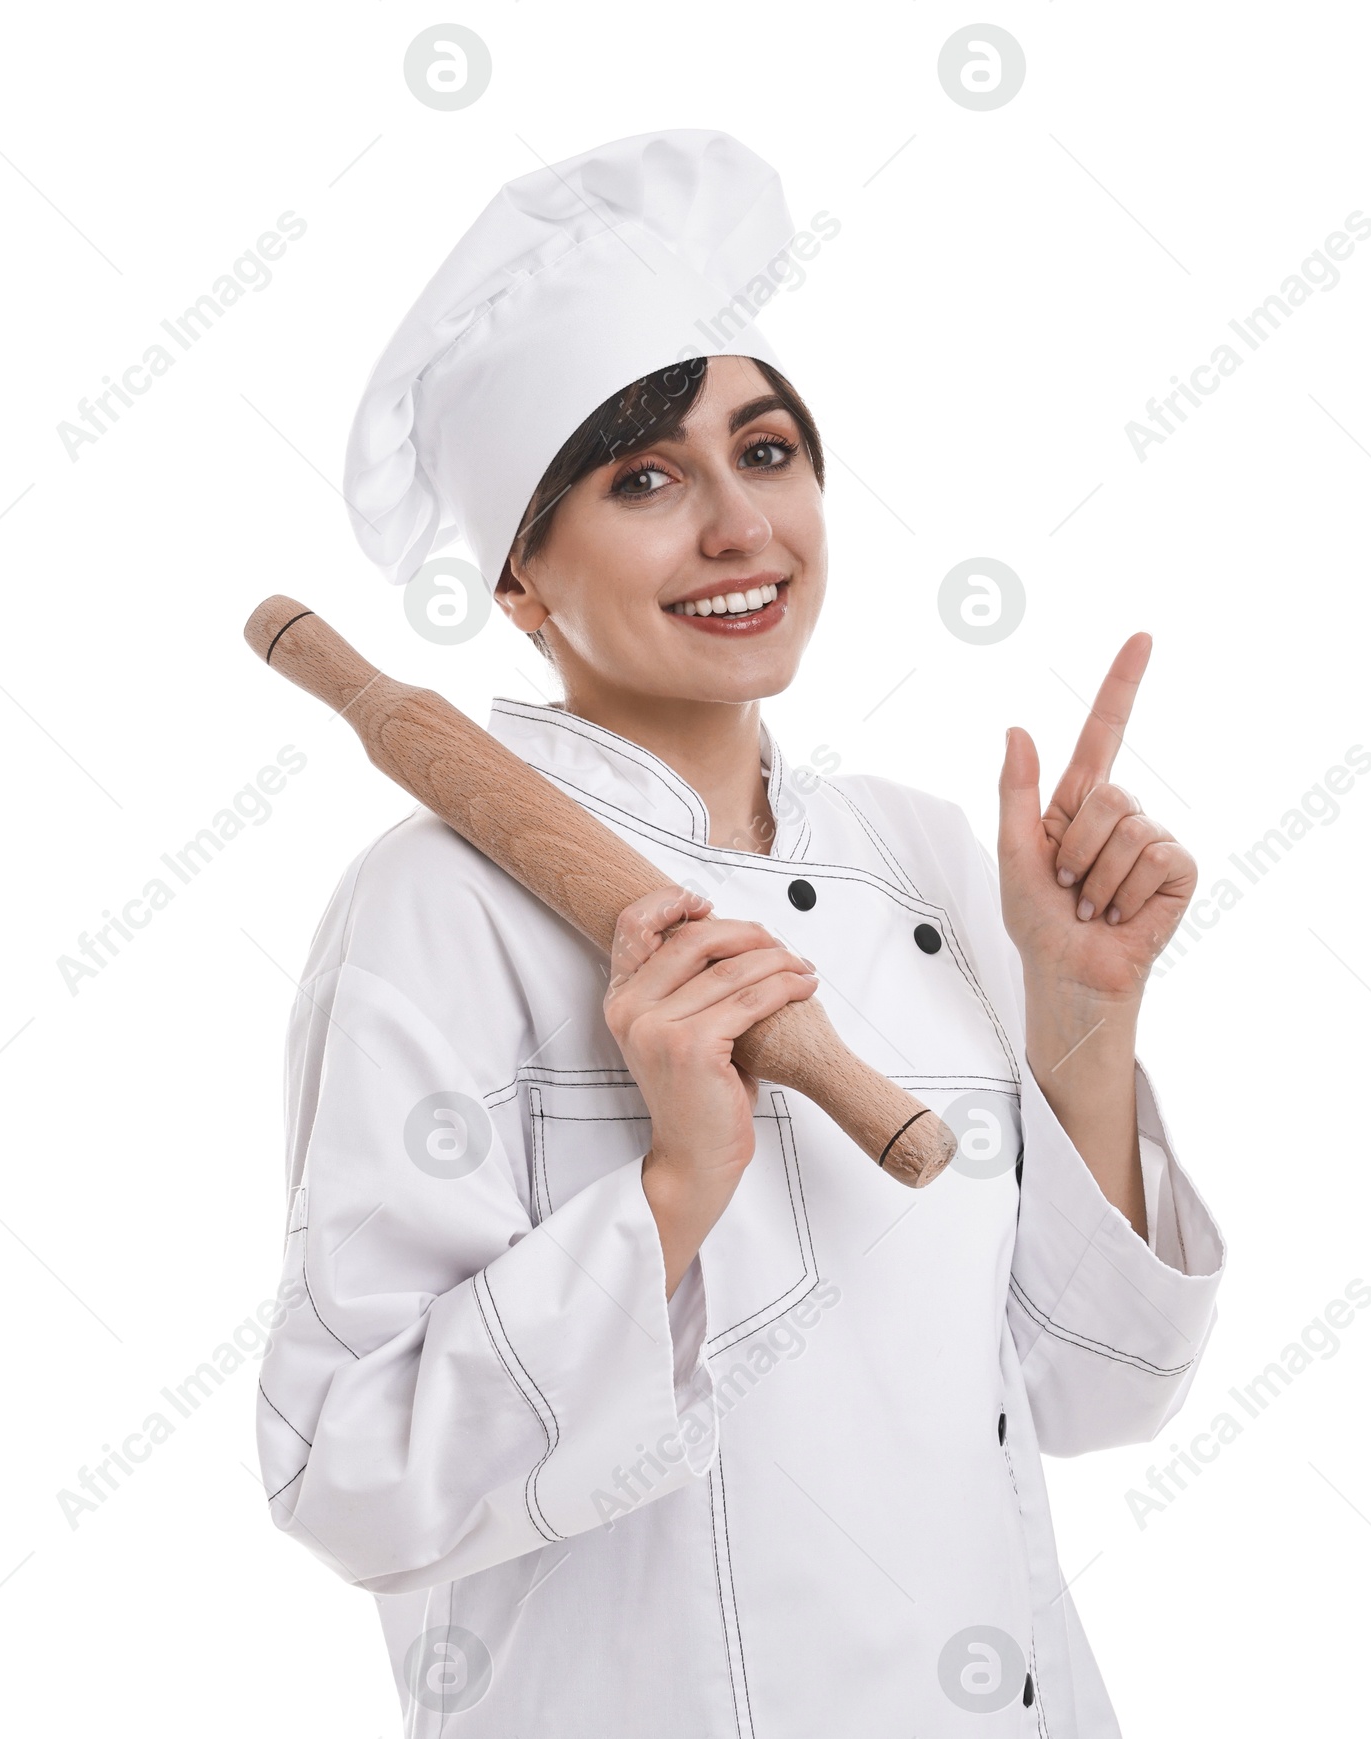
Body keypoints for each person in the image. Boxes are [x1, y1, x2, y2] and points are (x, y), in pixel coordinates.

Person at [256, 130, 1225, 1737]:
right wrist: (672, 1187)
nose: (736, 528)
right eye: (643, 480)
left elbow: (1097, 1395)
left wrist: (1081, 1027)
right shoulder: (433, 909)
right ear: (521, 580)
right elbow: (352, 1480)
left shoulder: (927, 857)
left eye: (766, 453)